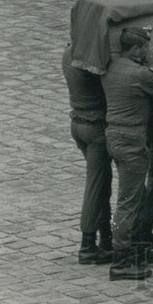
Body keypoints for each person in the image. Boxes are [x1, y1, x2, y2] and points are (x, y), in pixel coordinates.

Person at [101, 27, 153, 281]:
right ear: (137, 49)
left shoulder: (112, 66)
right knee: (128, 202)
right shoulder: (141, 74)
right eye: (146, 47)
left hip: (114, 136)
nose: (149, 51)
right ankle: (121, 259)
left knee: (133, 197)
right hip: (132, 142)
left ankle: (132, 243)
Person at [63, 43, 112, 266]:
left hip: (79, 123)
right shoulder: (91, 60)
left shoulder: (70, 52)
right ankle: (88, 244)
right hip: (95, 129)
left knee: (102, 181)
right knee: (96, 184)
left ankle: (106, 237)